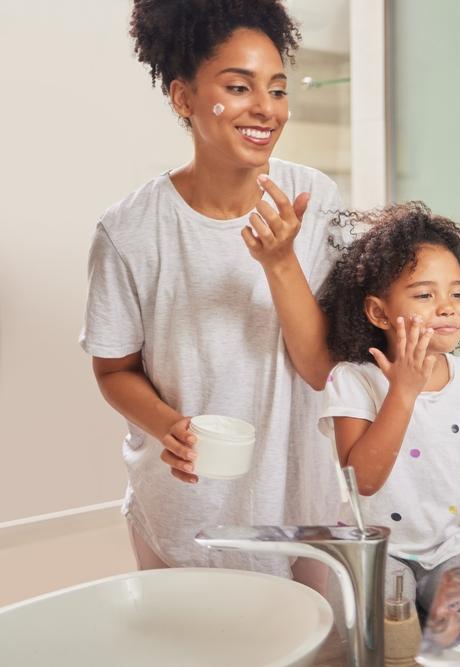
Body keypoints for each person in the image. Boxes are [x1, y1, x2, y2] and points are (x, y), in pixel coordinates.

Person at [80, 0, 346, 583]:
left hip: (301, 506)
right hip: (186, 512)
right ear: (183, 98)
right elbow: (113, 369)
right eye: (239, 86)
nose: (266, 109)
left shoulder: (314, 199)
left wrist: (280, 263)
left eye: (277, 89)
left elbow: (323, 368)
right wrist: (168, 425)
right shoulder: (129, 231)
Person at [317, 202, 460, 654]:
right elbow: (365, 481)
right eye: (424, 295)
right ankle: (417, 617)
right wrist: (404, 392)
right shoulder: (355, 380)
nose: (447, 308)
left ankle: (432, 610)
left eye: (457, 294)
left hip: (449, 546)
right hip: (378, 550)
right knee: (377, 642)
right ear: (378, 313)